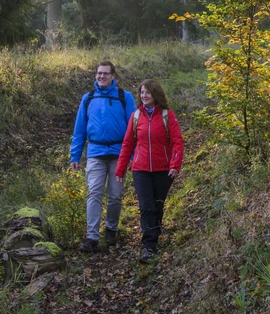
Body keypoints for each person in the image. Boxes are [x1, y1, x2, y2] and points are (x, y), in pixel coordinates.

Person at [70, 61, 137, 252]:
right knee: (94, 194)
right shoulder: (88, 98)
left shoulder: (125, 97)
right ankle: (92, 237)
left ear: (113, 75)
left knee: (115, 196)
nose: (101, 77)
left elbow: (133, 129)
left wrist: (132, 155)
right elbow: (79, 129)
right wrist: (75, 155)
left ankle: (111, 229)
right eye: (99, 73)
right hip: (95, 153)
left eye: (106, 74)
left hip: (119, 154)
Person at [115, 79, 185, 263]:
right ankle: (149, 246)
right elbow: (128, 143)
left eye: (148, 92)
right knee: (146, 206)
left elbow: (177, 142)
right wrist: (120, 169)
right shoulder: (136, 116)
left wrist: (175, 165)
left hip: (163, 169)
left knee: (157, 205)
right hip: (140, 169)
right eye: (142, 92)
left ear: (156, 95)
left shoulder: (167, 115)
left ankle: (154, 232)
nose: (144, 96)